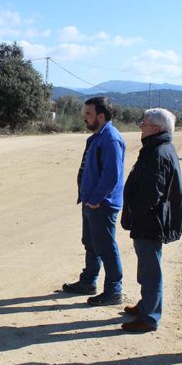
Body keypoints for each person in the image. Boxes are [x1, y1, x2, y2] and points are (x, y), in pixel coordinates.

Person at [119, 108, 182, 333]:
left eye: (144, 123)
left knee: (150, 269)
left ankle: (149, 317)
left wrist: (133, 211)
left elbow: (150, 194)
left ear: (155, 128)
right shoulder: (158, 148)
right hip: (148, 221)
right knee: (146, 266)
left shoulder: (158, 153)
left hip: (150, 221)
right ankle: (146, 305)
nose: (141, 126)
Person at [62, 96, 126, 306]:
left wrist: (97, 199)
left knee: (106, 247)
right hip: (91, 202)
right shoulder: (97, 136)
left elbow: (112, 175)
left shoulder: (110, 138)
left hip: (102, 205)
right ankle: (88, 281)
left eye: (88, 114)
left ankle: (114, 291)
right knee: (91, 244)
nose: (85, 118)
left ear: (101, 115)